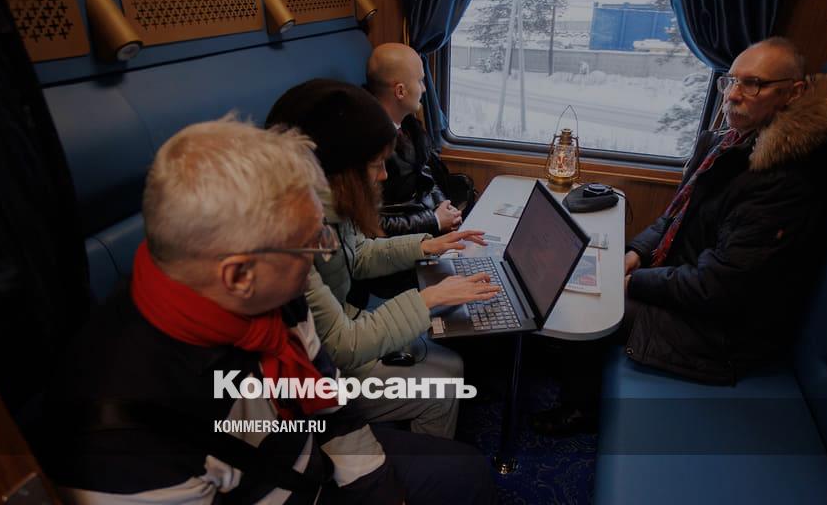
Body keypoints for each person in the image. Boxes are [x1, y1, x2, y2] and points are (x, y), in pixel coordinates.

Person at [41, 117, 496, 504]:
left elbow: (331, 405)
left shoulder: (275, 297)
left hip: (309, 456)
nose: (322, 255)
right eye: (311, 244)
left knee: (469, 473)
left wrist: (379, 490)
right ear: (240, 275)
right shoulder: (121, 442)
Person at [532, 37, 827, 435]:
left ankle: (580, 410)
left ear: (795, 92)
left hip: (721, 331)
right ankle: (567, 365)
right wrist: (636, 254)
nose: (733, 95)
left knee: (590, 305)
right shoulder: (729, 143)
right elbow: (676, 215)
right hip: (690, 285)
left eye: (753, 84)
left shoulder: (785, 181)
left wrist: (632, 282)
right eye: (730, 81)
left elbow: (717, 287)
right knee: (591, 276)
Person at [265, 79, 500, 439]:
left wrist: (426, 246)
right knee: (444, 384)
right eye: (375, 165)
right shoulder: (291, 239)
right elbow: (342, 347)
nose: (384, 175)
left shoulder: (328, 204)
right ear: (335, 171)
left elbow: (358, 255)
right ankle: (418, 462)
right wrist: (428, 298)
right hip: (316, 373)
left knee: (450, 360)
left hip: (341, 328)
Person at [366, 43, 475, 236]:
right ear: (400, 91)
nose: (424, 89)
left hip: (423, 222)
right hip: (404, 240)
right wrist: (434, 221)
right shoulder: (371, 145)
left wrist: (444, 206)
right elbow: (371, 223)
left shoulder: (409, 126)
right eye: (420, 81)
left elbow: (425, 175)